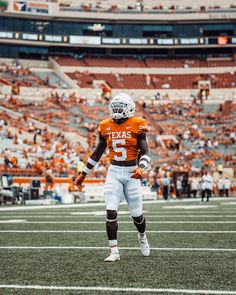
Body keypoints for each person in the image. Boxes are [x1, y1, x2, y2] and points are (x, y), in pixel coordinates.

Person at [75, 93, 151, 262]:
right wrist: (83, 174)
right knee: (110, 210)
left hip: (132, 171)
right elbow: (97, 152)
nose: (117, 110)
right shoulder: (104, 126)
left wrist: (141, 168)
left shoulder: (138, 124)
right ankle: (114, 251)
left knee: (137, 214)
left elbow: (145, 152)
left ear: (129, 108)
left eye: (120, 107)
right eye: (115, 107)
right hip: (115, 171)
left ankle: (142, 236)